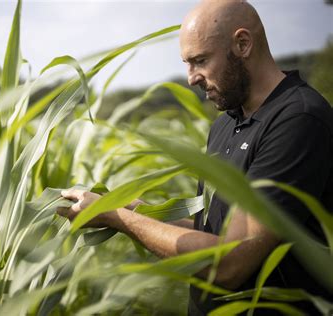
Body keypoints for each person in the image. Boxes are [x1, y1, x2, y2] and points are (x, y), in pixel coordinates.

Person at [57, 0, 333, 314]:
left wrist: (118, 219)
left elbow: (230, 261)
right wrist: (127, 208)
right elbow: (211, 234)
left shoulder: (298, 120)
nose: (191, 77)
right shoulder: (225, 123)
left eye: (200, 61)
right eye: (187, 63)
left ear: (243, 44)